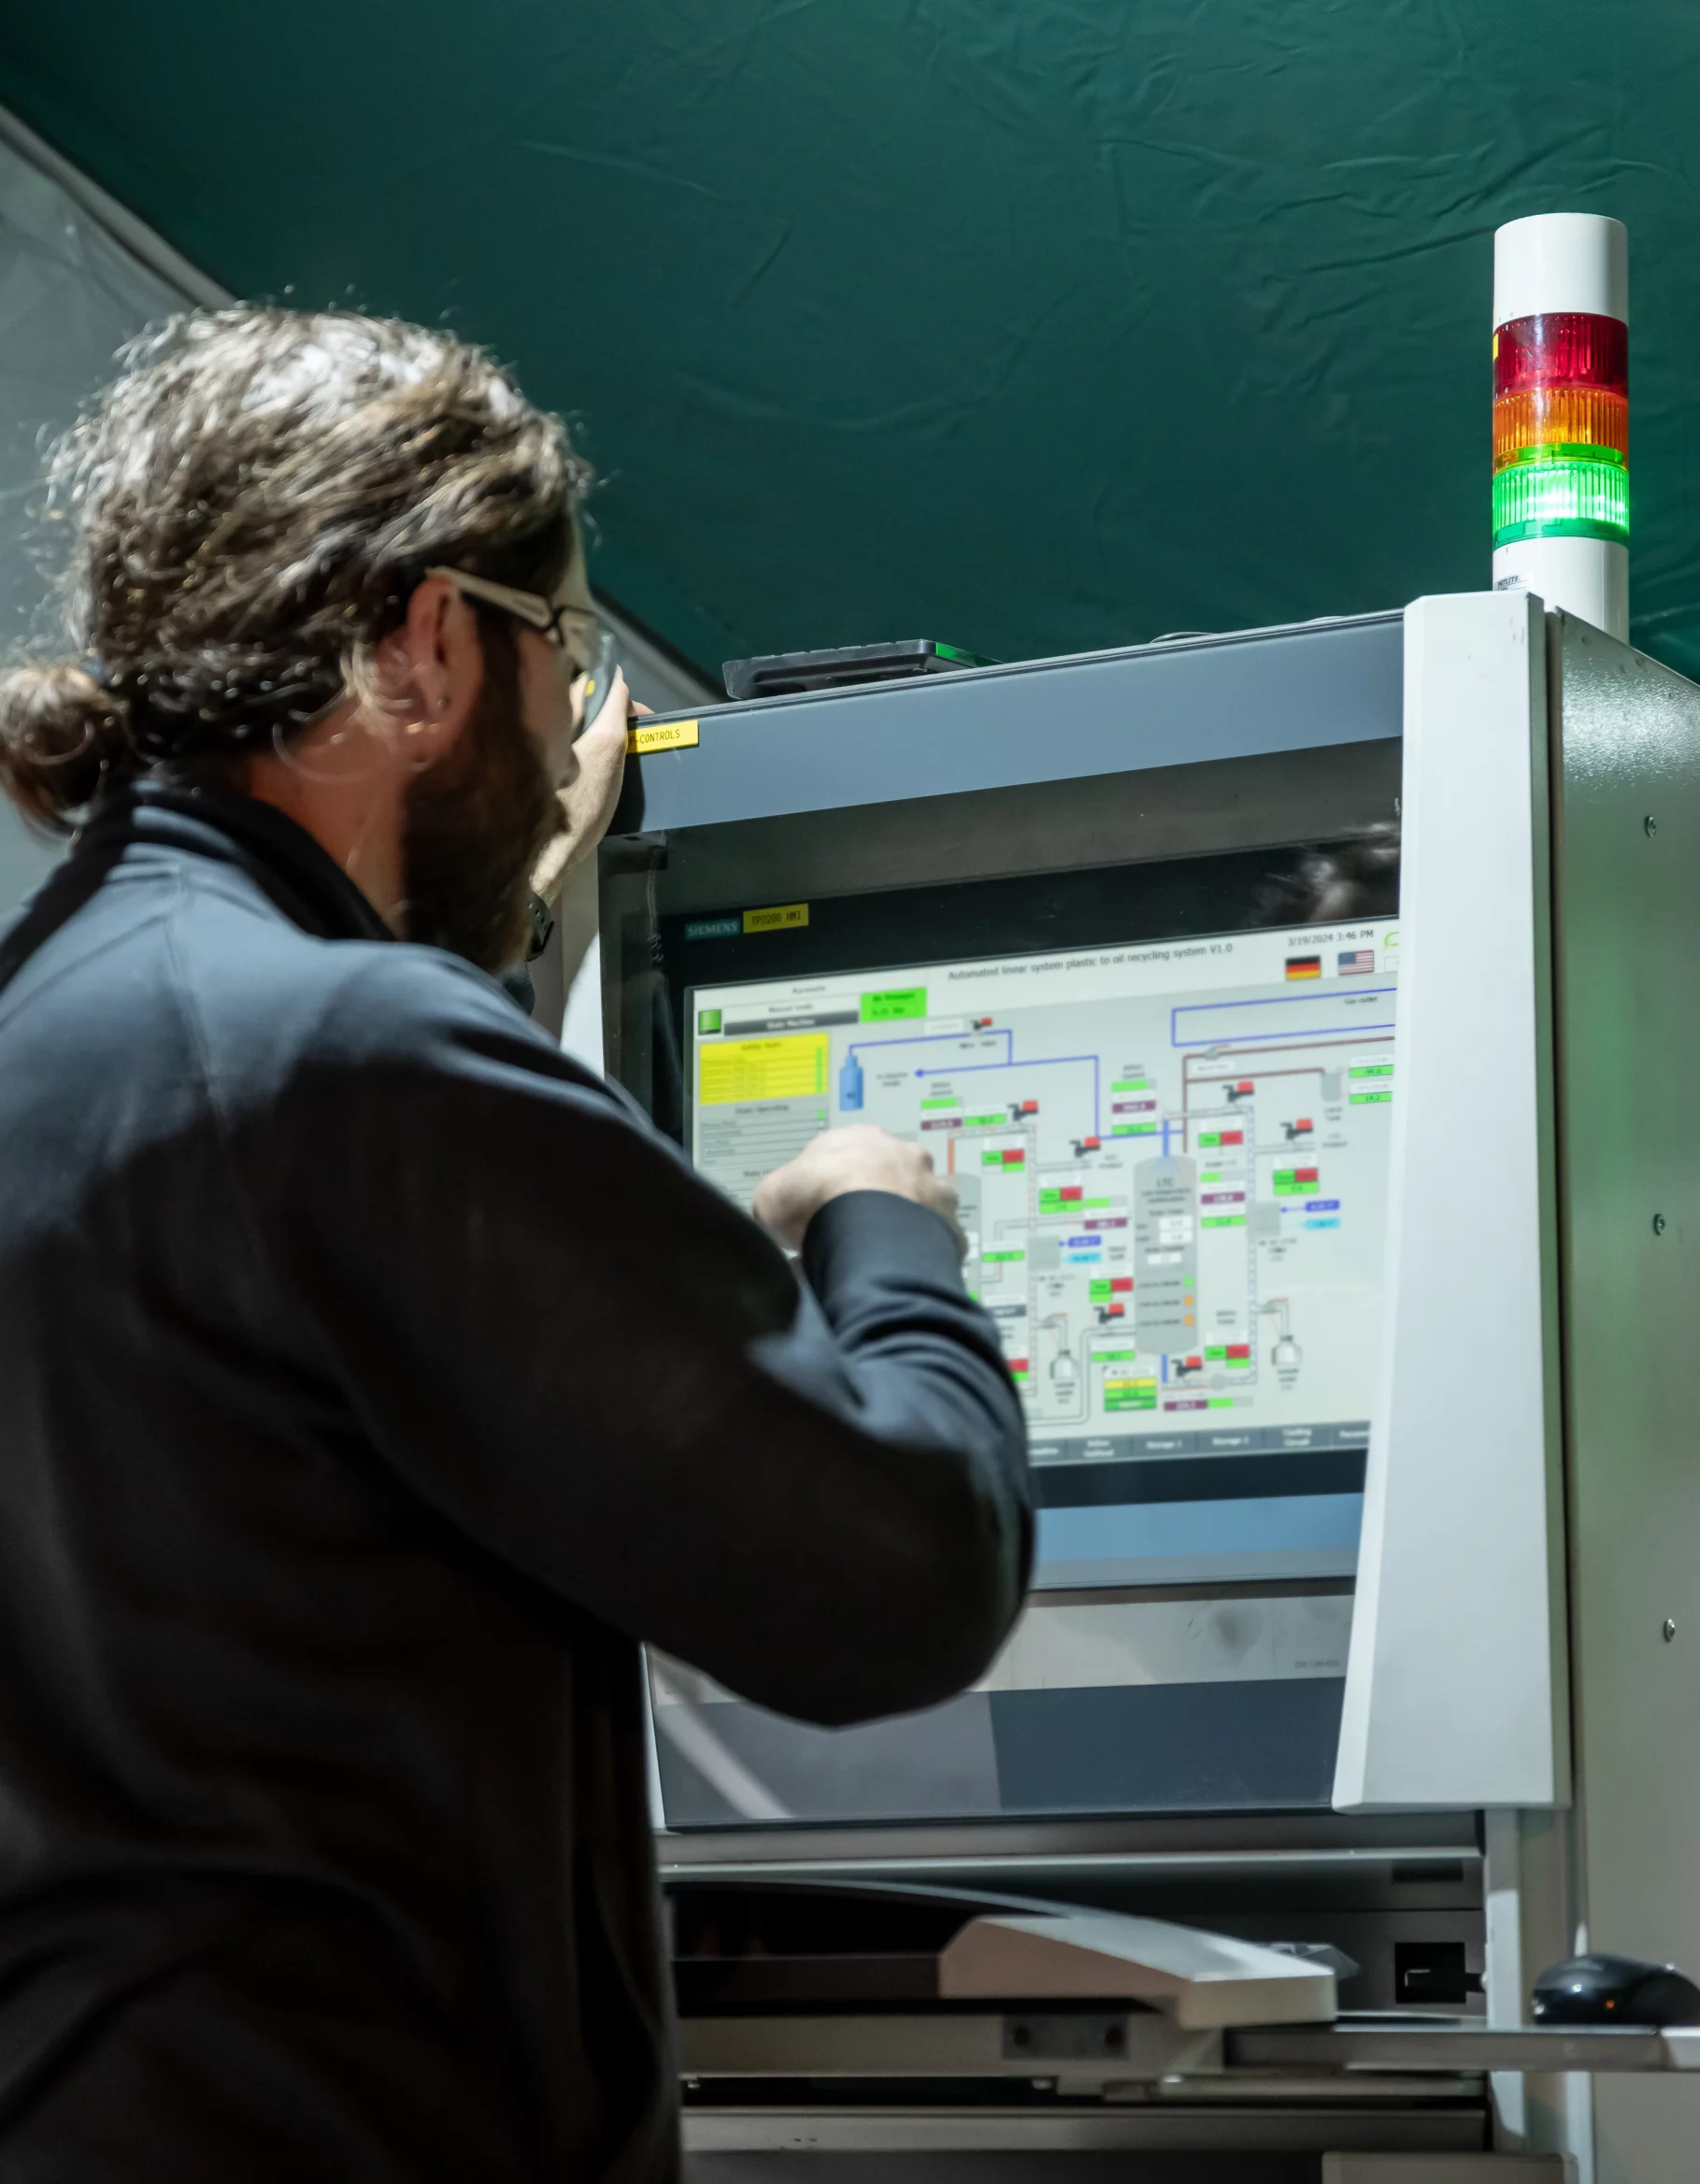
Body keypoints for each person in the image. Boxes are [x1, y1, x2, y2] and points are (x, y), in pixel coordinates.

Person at [0, 307, 1033, 2180]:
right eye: (559, 651)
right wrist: (886, 1223)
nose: (571, 734)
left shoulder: (62, 1022)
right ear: (426, 644)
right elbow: (901, 1574)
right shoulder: (347, 1048)